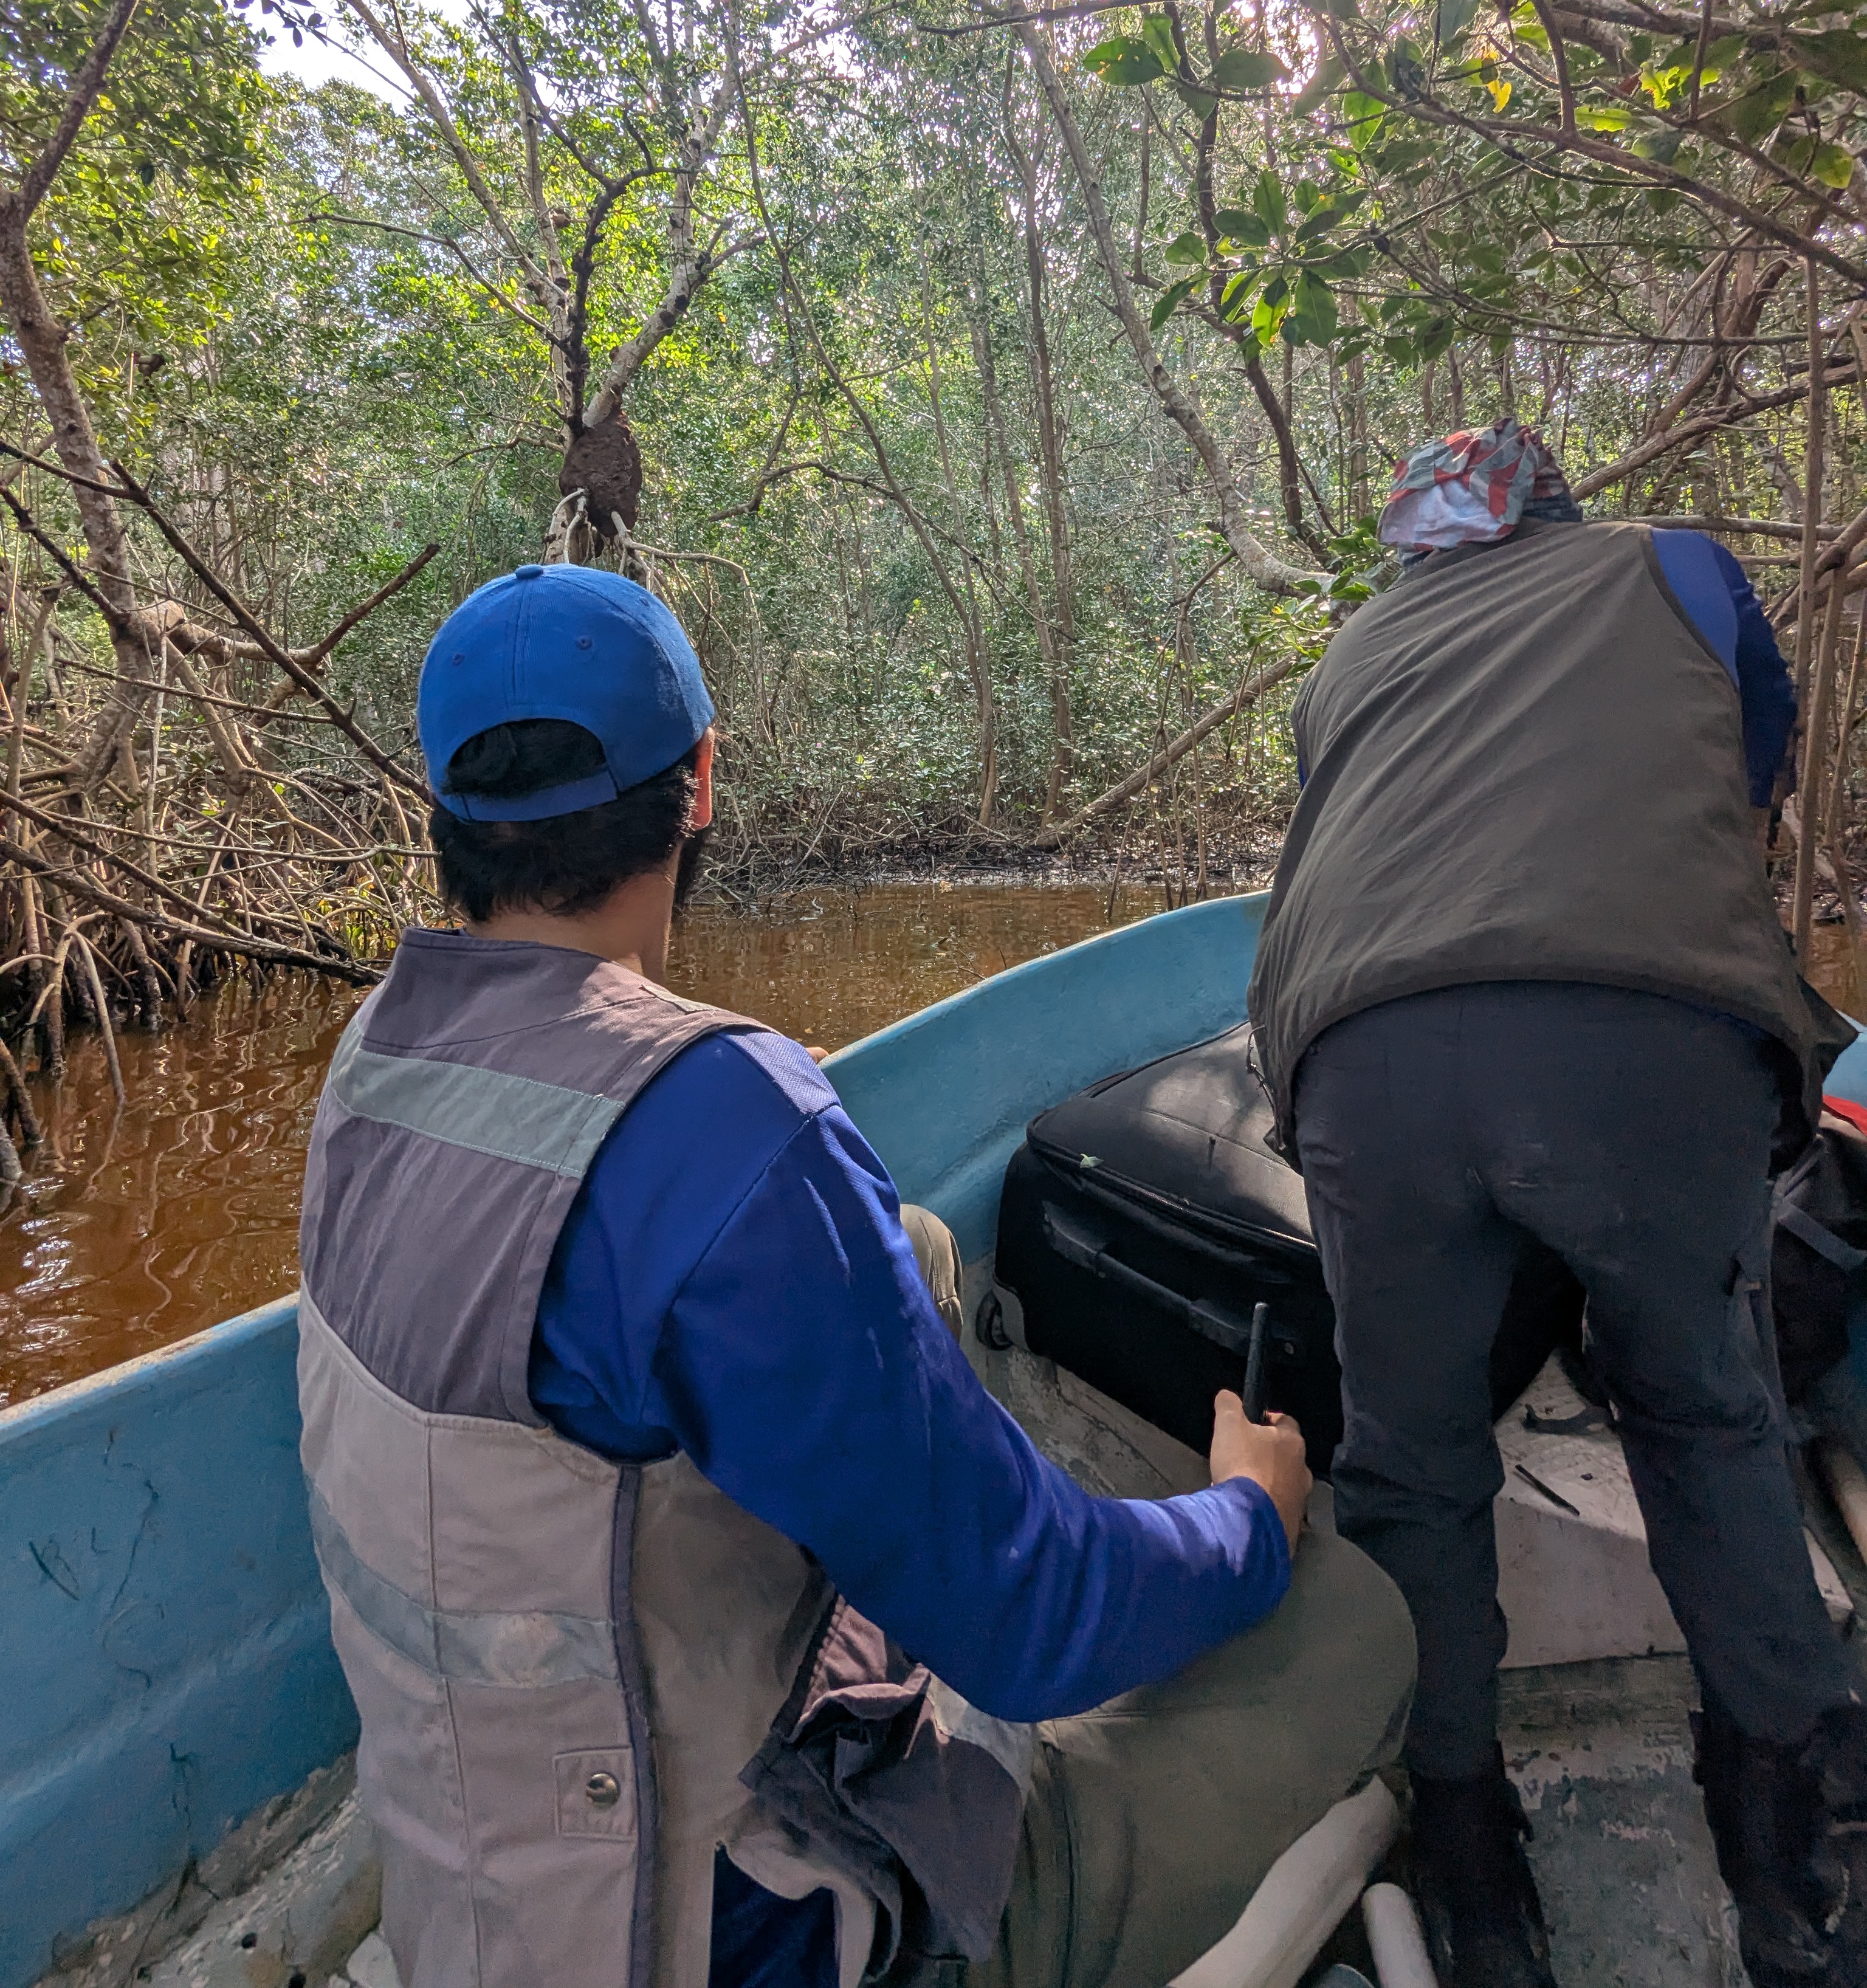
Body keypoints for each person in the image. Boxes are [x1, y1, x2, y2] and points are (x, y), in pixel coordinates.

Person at [297, 562, 1414, 1988]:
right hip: (736, 1938)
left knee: (923, 1248)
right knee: (1359, 1622)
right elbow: (1038, 1623)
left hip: (486, 1886)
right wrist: (1249, 1514)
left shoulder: (372, 1058)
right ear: (700, 783)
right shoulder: (725, 1126)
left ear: (446, 813)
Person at [1248, 418, 1867, 1988]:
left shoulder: (1355, 654)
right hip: (1650, 1046)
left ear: (1415, 552)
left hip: (1367, 1060)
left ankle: (1472, 1887)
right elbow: (1747, 771)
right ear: (1560, 510)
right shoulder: (1680, 569)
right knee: (1705, 1415)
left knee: (1414, 1465)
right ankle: (1789, 1869)